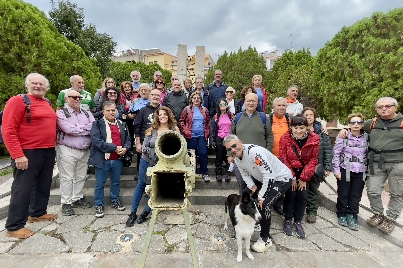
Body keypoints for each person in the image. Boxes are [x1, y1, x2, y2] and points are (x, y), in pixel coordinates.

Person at [3, 73, 58, 239]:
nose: (38, 86)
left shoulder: (46, 102)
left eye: (41, 84)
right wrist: (17, 154)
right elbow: (8, 129)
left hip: (48, 150)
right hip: (27, 151)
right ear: (28, 85)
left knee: (43, 184)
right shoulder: (18, 101)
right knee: (23, 188)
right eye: (34, 83)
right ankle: (14, 226)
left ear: (46, 87)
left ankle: (37, 213)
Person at [338, 97, 403, 234]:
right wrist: (344, 129)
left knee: (397, 193)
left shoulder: (402, 122)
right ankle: (378, 213)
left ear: (396, 107)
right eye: (380, 107)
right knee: (372, 190)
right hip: (375, 162)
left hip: (397, 163)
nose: (384, 109)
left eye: (387, 106)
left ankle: (390, 218)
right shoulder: (372, 123)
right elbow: (356, 127)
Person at [224, 134, 292, 253]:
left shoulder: (254, 153)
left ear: (240, 142)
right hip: (265, 179)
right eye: (229, 149)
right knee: (254, 200)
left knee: (264, 204)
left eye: (234, 146)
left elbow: (269, 175)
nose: (233, 150)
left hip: (281, 178)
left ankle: (265, 239)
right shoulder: (237, 158)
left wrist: (261, 196)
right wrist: (253, 186)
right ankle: (260, 221)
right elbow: (244, 174)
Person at [126, 106, 180, 226]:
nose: (162, 116)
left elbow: (178, 147)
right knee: (141, 185)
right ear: (157, 117)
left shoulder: (174, 130)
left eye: (165, 114)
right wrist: (147, 151)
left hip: (164, 163)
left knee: (158, 187)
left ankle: (146, 211)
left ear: (169, 115)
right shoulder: (151, 129)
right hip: (147, 160)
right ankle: (132, 213)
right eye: (160, 115)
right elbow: (144, 146)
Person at [88, 101, 131, 218]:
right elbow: (97, 141)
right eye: (108, 110)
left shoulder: (122, 124)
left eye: (113, 110)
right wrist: (115, 148)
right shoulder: (97, 124)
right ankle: (99, 204)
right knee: (99, 184)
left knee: (116, 182)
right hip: (103, 159)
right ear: (103, 112)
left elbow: (127, 139)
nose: (111, 112)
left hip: (117, 159)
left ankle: (115, 201)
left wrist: (125, 148)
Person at [279, 116, 320, 238]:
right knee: (290, 195)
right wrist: (291, 177)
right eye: (295, 128)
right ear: (291, 127)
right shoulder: (285, 138)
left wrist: (303, 178)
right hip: (289, 169)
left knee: (302, 196)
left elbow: (313, 159)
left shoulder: (314, 139)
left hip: (305, 171)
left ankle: (298, 221)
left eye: (301, 127)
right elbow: (283, 157)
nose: (298, 131)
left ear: (306, 127)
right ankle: (287, 219)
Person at [56, 90, 95, 216]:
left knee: (81, 176)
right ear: (66, 99)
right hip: (67, 149)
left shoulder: (87, 113)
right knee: (67, 177)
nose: (78, 99)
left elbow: (93, 127)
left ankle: (77, 198)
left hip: (84, 150)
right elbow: (68, 129)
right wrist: (84, 128)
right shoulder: (61, 113)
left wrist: (77, 129)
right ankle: (66, 203)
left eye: (79, 97)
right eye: (74, 97)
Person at [230, 93, 274, 193]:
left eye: (253, 101)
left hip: (259, 159)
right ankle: (245, 208)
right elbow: (231, 137)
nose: (251, 103)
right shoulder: (237, 118)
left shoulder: (263, 118)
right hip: (240, 159)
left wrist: (267, 153)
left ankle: (259, 207)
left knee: (259, 186)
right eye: (248, 101)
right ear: (244, 102)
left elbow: (270, 136)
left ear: (257, 103)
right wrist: (229, 155)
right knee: (243, 185)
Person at [332, 113, 367, 231]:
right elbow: (336, 154)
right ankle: (341, 214)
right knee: (343, 193)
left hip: (361, 170)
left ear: (363, 124)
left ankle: (351, 215)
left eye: (359, 122)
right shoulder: (343, 136)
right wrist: (336, 170)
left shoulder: (367, 137)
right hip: (345, 168)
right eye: (353, 122)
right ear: (349, 124)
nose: (356, 124)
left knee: (355, 195)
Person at [302, 107, 332, 223]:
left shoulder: (321, 132)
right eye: (306, 115)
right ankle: (299, 210)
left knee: (313, 190)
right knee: (302, 190)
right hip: (303, 166)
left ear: (314, 117)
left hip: (317, 166)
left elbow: (327, 150)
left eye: (311, 115)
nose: (308, 117)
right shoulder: (299, 129)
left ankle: (312, 212)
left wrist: (328, 166)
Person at [179, 91, 210, 182]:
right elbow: (181, 121)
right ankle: (191, 174)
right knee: (191, 156)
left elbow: (208, 122)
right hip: (190, 136)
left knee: (203, 154)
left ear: (201, 100)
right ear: (191, 99)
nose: (196, 99)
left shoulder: (204, 110)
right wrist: (185, 131)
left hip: (201, 136)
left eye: (198, 98)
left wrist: (207, 132)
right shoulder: (187, 109)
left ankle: (204, 173)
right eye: (194, 98)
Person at [133, 90, 161, 171]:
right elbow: (137, 127)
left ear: (160, 97)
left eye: (158, 95)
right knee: (142, 166)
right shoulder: (143, 110)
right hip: (144, 141)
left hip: (158, 141)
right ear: (150, 96)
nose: (155, 97)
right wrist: (138, 143)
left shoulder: (163, 111)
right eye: (153, 95)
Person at [210, 98, 233, 182]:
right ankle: (218, 173)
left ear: (227, 105)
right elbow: (212, 129)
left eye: (224, 104)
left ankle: (228, 173)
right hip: (219, 138)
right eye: (221, 104)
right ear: (218, 106)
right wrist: (212, 140)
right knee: (219, 156)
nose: (223, 105)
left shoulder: (231, 115)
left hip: (229, 139)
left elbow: (234, 127)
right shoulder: (216, 117)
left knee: (228, 156)